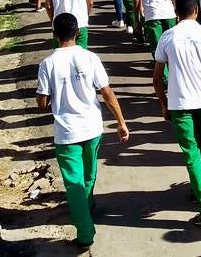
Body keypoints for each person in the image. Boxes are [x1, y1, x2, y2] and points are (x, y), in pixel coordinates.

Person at [36, 13, 129, 251]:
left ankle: (85, 232)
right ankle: (86, 208)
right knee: (89, 175)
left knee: (73, 182)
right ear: (77, 32)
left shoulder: (48, 63)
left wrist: (48, 93)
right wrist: (120, 121)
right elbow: (107, 92)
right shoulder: (90, 57)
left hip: (67, 132)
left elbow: (42, 103)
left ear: (54, 34)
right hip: (92, 127)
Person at [153, 0, 201, 228]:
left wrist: (163, 102)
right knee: (199, 147)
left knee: (191, 152)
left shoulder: (167, 36)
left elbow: (157, 78)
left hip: (180, 104)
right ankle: (199, 190)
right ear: (197, 11)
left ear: (176, 11)